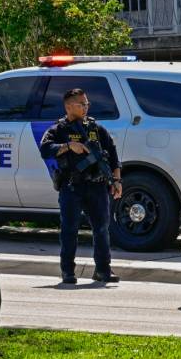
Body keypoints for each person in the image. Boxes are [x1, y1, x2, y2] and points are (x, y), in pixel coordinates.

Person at [39, 88, 123, 285]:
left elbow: (113, 156)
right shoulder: (59, 129)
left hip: (97, 186)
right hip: (72, 186)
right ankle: (67, 271)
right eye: (81, 104)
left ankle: (103, 269)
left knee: (102, 228)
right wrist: (68, 146)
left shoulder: (96, 129)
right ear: (69, 106)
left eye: (87, 104)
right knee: (69, 229)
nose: (86, 107)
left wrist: (117, 181)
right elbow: (45, 149)